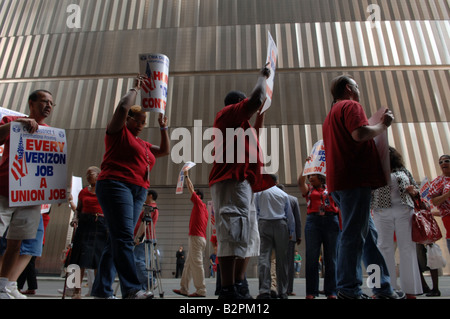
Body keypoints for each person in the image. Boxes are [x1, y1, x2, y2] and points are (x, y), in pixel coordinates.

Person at [322, 75, 402, 299]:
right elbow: (360, 133)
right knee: (354, 236)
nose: (359, 91)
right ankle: (348, 290)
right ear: (349, 88)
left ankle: (382, 287)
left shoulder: (330, 116)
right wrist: (382, 125)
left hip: (341, 182)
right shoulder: (351, 105)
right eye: (356, 86)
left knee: (368, 238)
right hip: (354, 181)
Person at [91, 75, 170, 299]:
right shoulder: (117, 132)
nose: (142, 125)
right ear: (128, 119)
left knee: (116, 239)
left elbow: (164, 151)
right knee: (124, 237)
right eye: (138, 120)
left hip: (138, 191)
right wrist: (134, 88)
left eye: (145, 122)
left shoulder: (143, 144)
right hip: (116, 184)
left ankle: (101, 291)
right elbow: (123, 107)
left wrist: (163, 128)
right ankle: (131, 289)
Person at [209, 65, 275, 299]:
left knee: (248, 236)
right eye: (244, 103)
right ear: (237, 103)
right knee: (231, 234)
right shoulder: (227, 114)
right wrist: (263, 77)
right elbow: (255, 98)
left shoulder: (241, 126)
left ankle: (238, 284)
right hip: (230, 180)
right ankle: (227, 289)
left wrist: (262, 114)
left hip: (243, 183)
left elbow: (255, 130)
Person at [0, 90, 55, 299]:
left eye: (52, 103)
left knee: (17, 242)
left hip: (31, 197)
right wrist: (18, 125)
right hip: (4, 189)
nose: (49, 105)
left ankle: (4, 286)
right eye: (44, 101)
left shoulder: (50, 132)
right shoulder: (13, 121)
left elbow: (51, 166)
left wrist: (53, 191)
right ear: (31, 103)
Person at [370, 147, 423, 298]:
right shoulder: (374, 170)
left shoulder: (404, 171)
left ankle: (410, 290)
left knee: (407, 247)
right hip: (381, 210)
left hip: (404, 209)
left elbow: (417, 189)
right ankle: (383, 289)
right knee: (382, 247)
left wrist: (413, 191)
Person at [298, 158, 340, 299]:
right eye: (309, 176)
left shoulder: (331, 187)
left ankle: (331, 291)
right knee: (312, 257)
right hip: (313, 222)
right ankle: (311, 292)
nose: (310, 178)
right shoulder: (309, 190)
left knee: (331, 258)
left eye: (312, 175)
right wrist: (307, 167)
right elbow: (300, 183)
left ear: (321, 176)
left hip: (331, 220)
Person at [66, 167, 108, 299]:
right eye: (87, 174)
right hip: (84, 224)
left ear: (99, 175)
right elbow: (78, 209)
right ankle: (76, 291)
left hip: (100, 224)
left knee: (99, 259)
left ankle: (99, 291)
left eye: (91, 173)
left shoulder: (105, 190)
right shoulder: (83, 192)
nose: (88, 176)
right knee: (78, 258)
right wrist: (75, 218)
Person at [255, 174, 295, 299]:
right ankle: (282, 291)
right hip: (280, 225)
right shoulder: (283, 194)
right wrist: (291, 231)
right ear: (276, 182)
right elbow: (289, 215)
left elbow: (256, 211)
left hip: (264, 224)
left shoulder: (259, 194)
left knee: (264, 259)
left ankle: (264, 291)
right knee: (282, 260)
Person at [173, 170, 209, 297]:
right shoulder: (204, 209)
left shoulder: (199, 204)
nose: (192, 196)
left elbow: (190, 187)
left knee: (197, 264)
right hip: (198, 238)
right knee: (188, 264)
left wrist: (186, 175)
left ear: (198, 196)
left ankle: (201, 290)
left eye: (195, 194)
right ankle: (184, 288)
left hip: (196, 238)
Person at [133, 189, 159, 291]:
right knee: (143, 262)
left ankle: (151, 281)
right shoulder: (152, 208)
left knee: (137, 261)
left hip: (145, 238)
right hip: (148, 237)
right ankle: (146, 286)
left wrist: (138, 237)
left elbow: (145, 223)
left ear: (150, 196)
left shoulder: (150, 208)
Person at [429, 154, 450, 255]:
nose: (443, 163)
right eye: (441, 162)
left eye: (447, 161)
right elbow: (435, 201)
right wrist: (447, 194)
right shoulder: (437, 182)